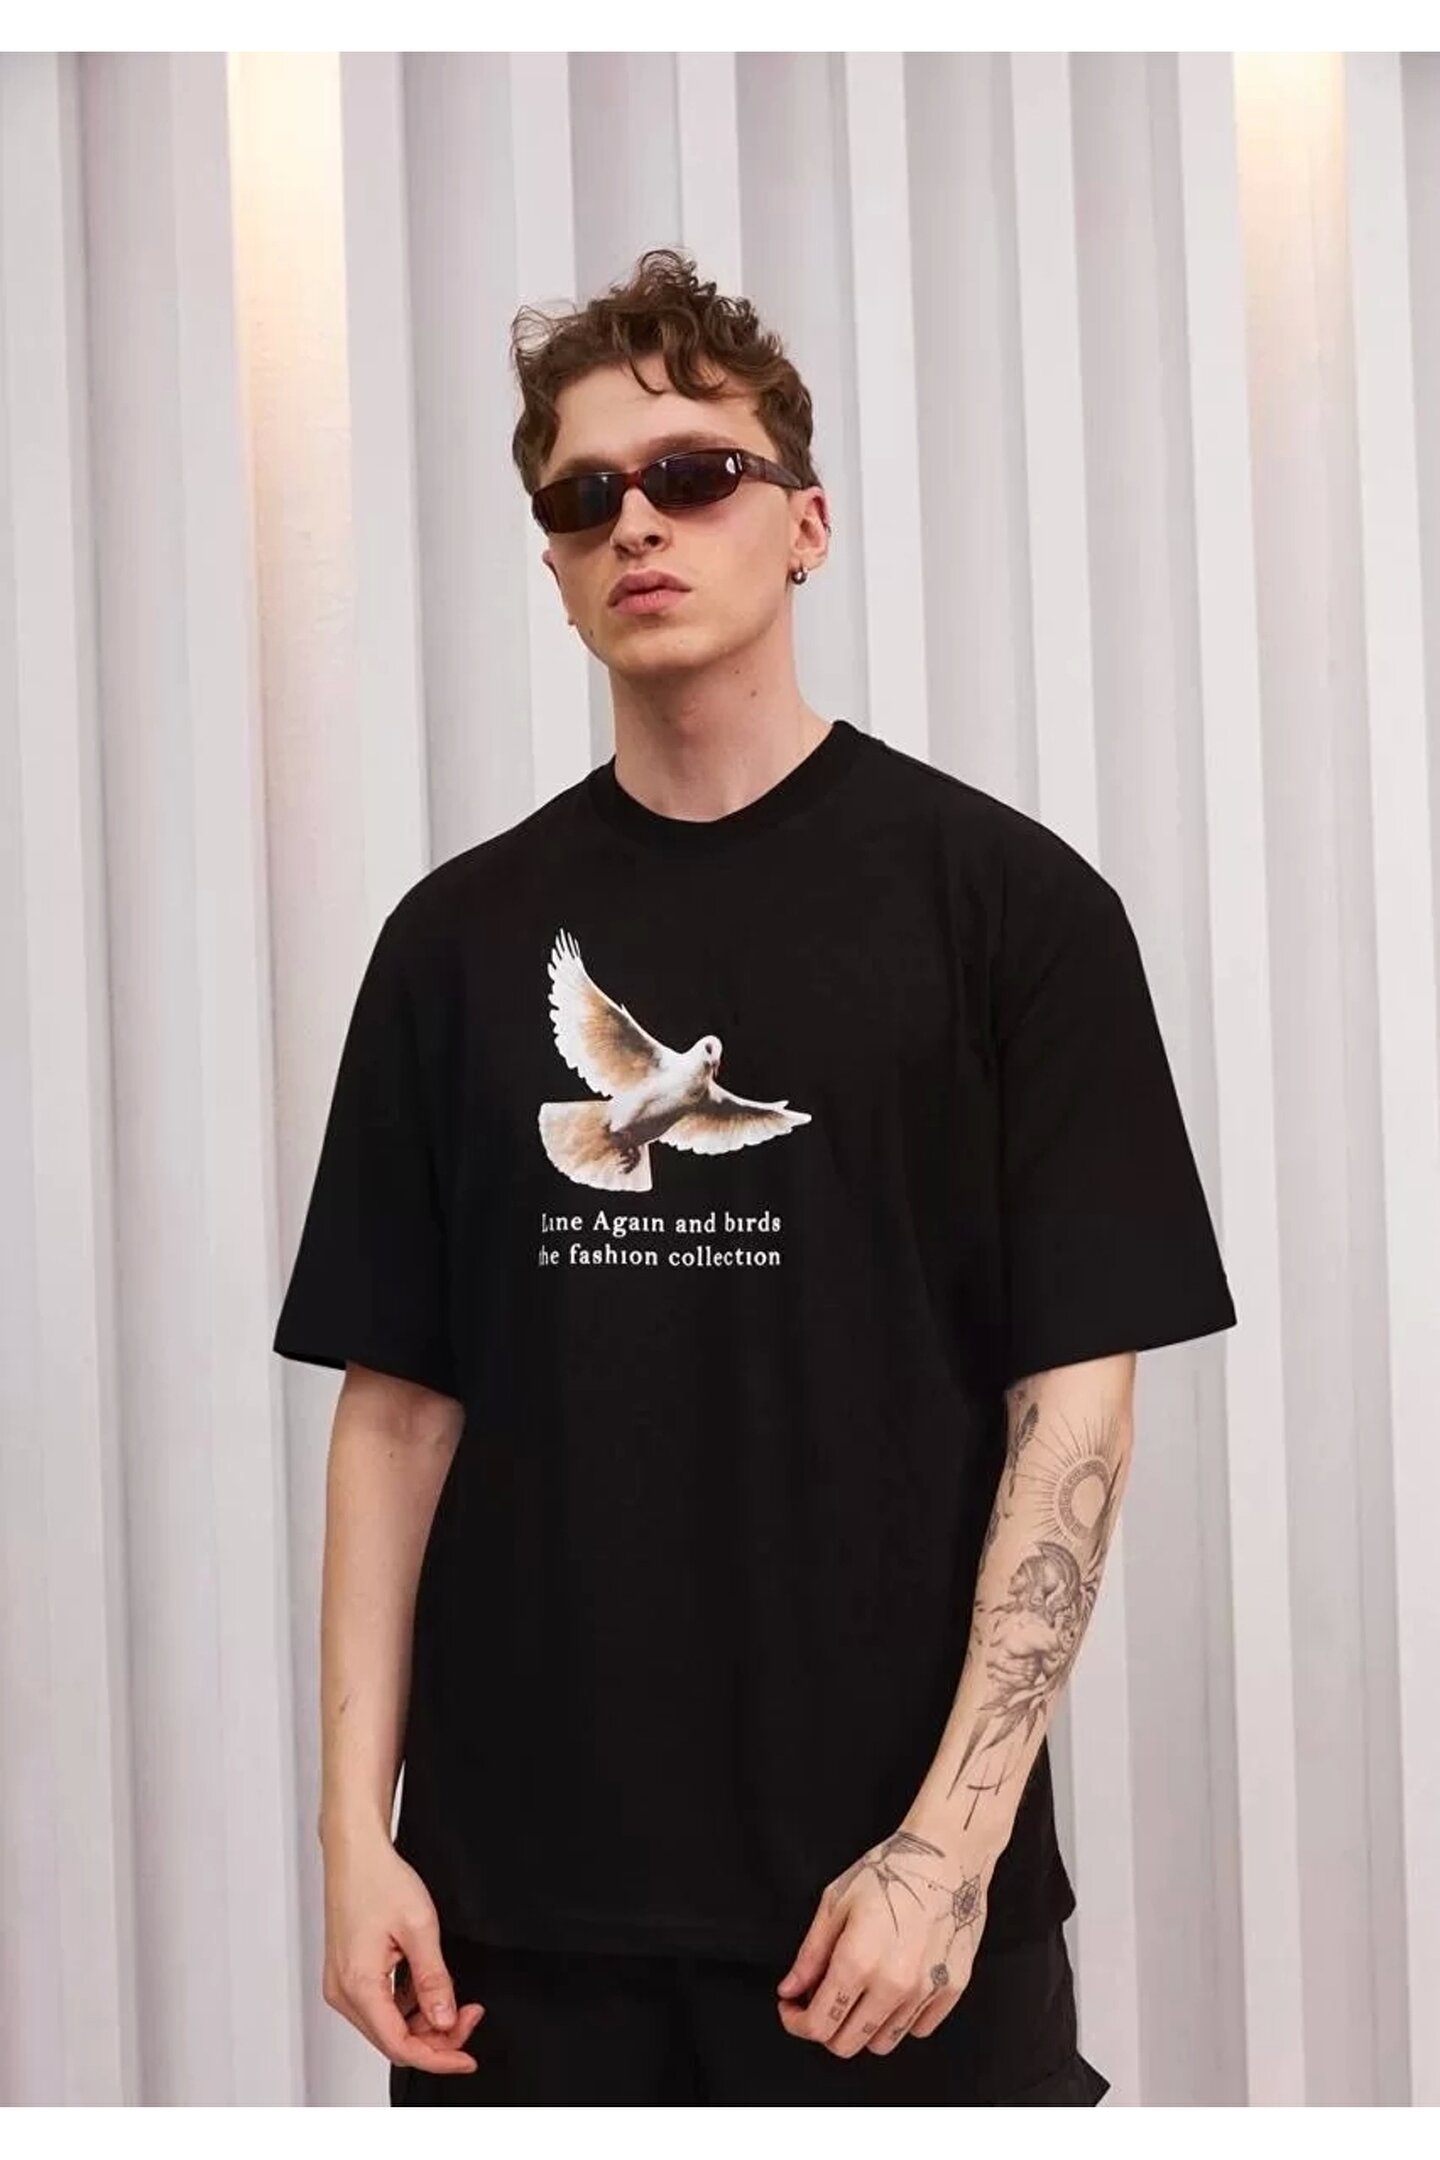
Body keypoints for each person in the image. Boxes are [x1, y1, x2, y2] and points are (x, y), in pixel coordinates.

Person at [273, 247, 1237, 2105]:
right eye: (583, 498)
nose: (635, 521)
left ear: (805, 524)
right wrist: (349, 1838)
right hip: (513, 1934)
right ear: (556, 572)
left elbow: (1077, 1405)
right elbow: (395, 1415)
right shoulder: (452, 945)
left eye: (692, 473)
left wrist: (949, 1850)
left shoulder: (1010, 909)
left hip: (885, 1925)